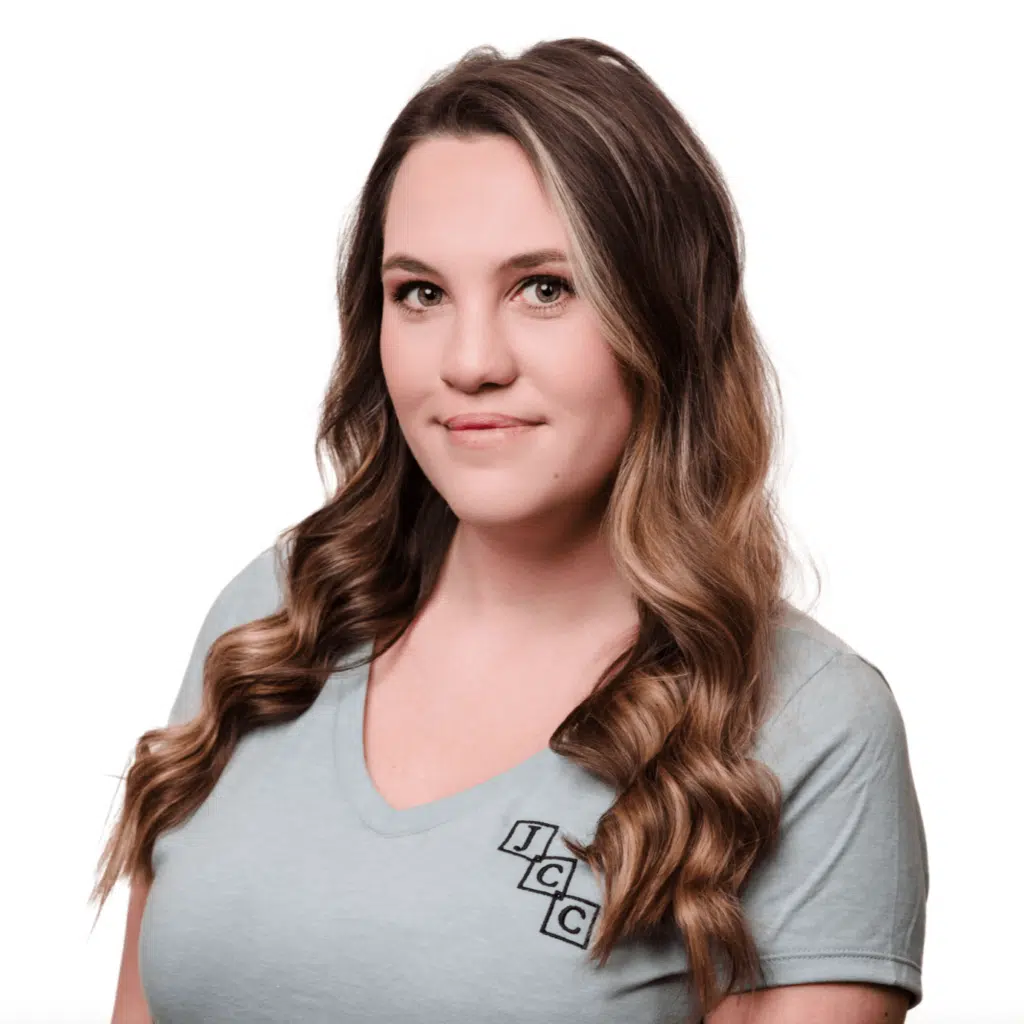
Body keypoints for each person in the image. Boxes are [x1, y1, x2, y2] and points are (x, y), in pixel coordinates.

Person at [95, 37, 928, 1024]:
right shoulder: (278, 618)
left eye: (544, 287)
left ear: (662, 315)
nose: (470, 360)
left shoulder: (807, 723)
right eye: (421, 293)